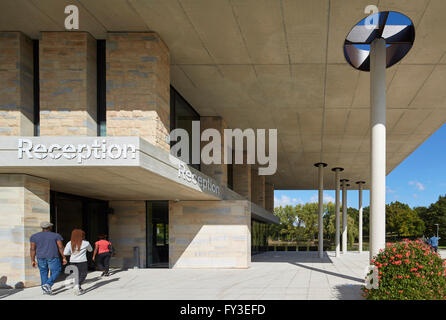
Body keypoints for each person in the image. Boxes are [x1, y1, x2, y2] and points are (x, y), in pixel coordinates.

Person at [30, 221, 67, 295]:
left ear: (42, 228)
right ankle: (48, 284)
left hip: (40, 257)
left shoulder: (34, 236)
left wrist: (32, 260)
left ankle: (45, 289)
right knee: (57, 270)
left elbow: (32, 249)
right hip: (53, 256)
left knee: (43, 272)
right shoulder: (56, 235)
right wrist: (64, 257)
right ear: (49, 227)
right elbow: (60, 247)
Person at [63, 229, 93, 295]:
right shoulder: (86, 243)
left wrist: (72, 253)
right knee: (83, 274)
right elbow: (90, 250)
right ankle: (77, 285)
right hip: (82, 261)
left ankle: (78, 287)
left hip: (72, 261)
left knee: (77, 275)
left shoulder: (69, 243)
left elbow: (65, 253)